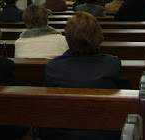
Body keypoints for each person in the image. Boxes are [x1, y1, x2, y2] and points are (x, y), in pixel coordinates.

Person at [35, 12, 122, 140]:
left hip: (61, 135)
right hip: (103, 134)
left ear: (68, 37)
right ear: (98, 35)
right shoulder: (112, 64)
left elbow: (49, 106)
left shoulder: (53, 67)